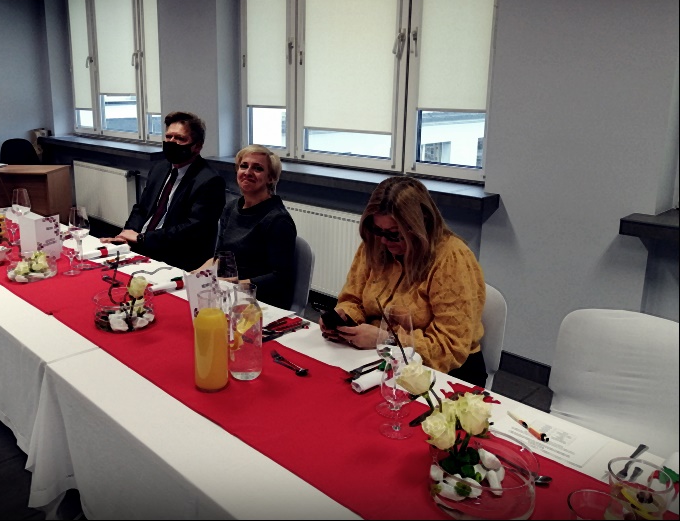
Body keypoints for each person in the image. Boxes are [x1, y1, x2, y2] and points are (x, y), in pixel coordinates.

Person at [319, 176, 487, 386]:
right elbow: (353, 299)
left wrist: (386, 340)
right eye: (378, 230)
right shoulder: (375, 245)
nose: (383, 240)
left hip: (445, 372)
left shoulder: (451, 258)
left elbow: (450, 347)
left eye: (394, 234)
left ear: (420, 227)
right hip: (380, 359)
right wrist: (345, 318)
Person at [100, 111, 226, 271]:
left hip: (175, 256)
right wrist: (127, 234)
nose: (172, 142)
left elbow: (192, 229)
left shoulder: (210, 181)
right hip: (142, 245)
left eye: (180, 138)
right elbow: (141, 209)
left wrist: (142, 238)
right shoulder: (160, 168)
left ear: (197, 146)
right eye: (169, 137)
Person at [193, 145, 297, 310]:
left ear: (270, 178)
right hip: (229, 291)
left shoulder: (278, 220)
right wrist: (193, 277)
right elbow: (219, 258)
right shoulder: (231, 207)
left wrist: (237, 286)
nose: (248, 172)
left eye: (258, 168)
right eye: (244, 166)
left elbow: (281, 278)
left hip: (260, 300)